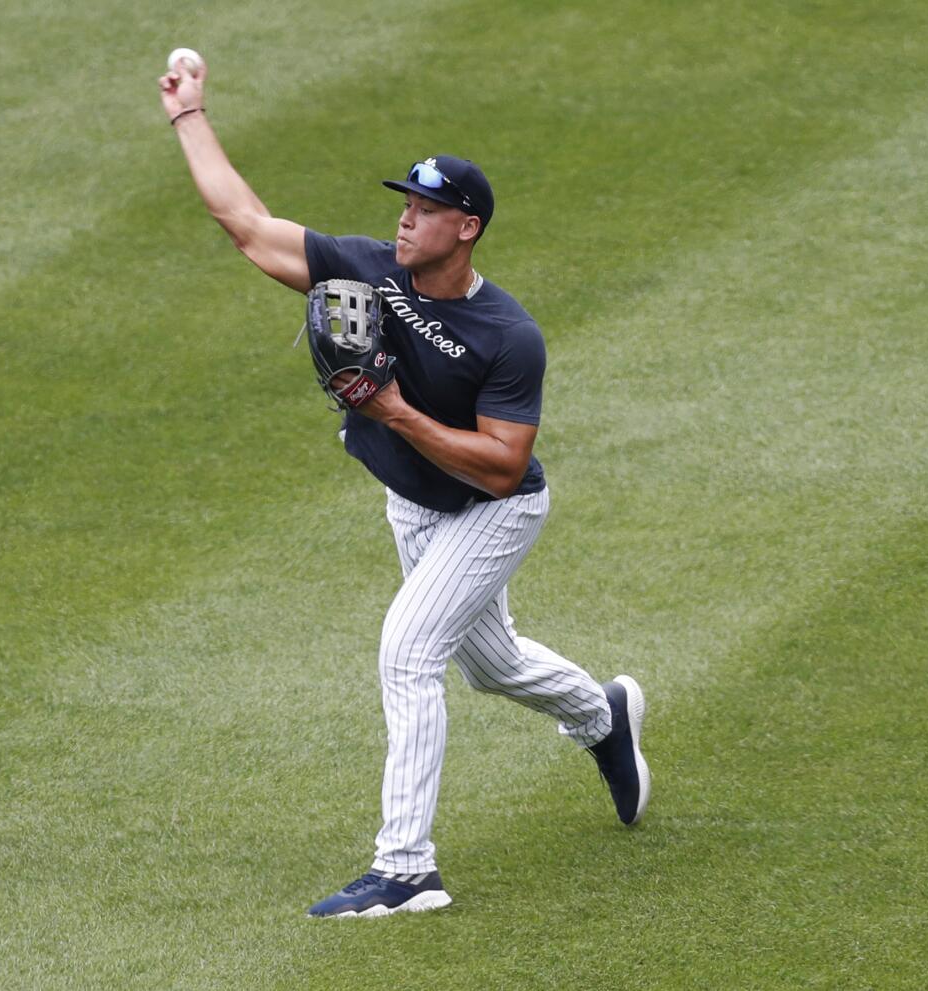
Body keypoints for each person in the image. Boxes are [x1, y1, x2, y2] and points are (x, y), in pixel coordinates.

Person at [159, 56, 650, 919]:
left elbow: (500, 464)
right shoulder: (364, 269)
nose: (406, 217)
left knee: (409, 651)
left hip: (494, 510)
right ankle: (602, 716)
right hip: (415, 506)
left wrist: (391, 410)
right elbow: (245, 223)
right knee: (493, 667)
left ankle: (406, 868)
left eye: (425, 209)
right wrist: (189, 116)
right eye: (406, 202)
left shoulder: (508, 335)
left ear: (466, 228)